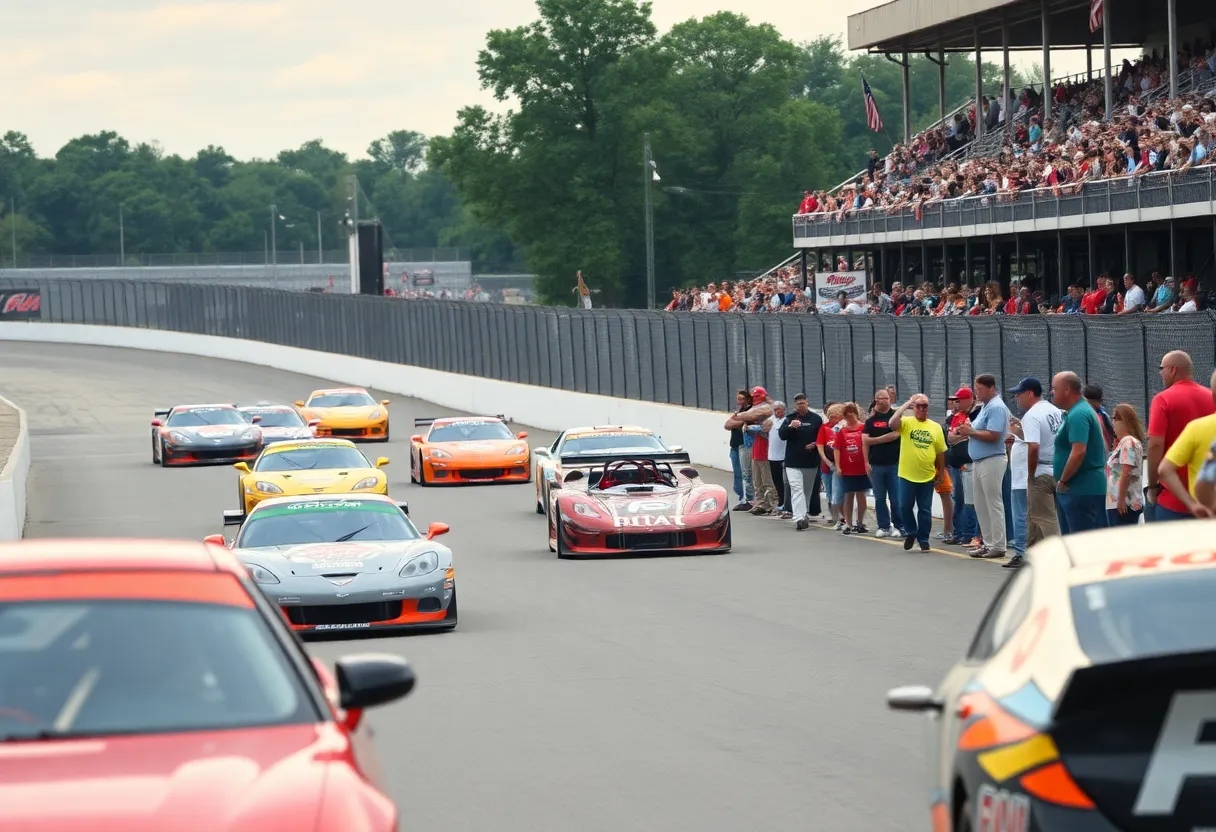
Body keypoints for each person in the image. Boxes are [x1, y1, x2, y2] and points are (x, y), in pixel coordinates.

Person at [1146, 350, 1215, 521]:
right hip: (1210, 500)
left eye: (1162, 368)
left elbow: (1155, 444)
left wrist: (1153, 487)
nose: (1161, 373)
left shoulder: (1162, 400)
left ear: (1173, 370)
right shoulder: (1210, 396)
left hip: (1174, 499)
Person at [1007, 378, 1062, 567]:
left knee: (1044, 519)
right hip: (1056, 467)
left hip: (1041, 471)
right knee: (1036, 518)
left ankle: (1055, 558)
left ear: (1030, 393)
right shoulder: (1055, 411)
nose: (1017, 399)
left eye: (1019, 394)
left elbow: (1034, 446)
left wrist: (1031, 474)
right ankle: (1033, 556)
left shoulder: (1032, 415)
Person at [956, 374, 1010, 560]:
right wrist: (969, 431)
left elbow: (994, 435)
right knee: (981, 504)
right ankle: (988, 543)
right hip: (980, 460)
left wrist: (971, 432)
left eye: (979, 389)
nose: (977, 393)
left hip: (992, 459)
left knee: (993, 503)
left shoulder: (996, 407)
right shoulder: (987, 406)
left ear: (991, 388)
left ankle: (998, 544)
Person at [1051, 371, 1109, 534]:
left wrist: (1063, 480)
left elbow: (1078, 452)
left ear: (1067, 389)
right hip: (1075, 489)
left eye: (1055, 388)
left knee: (1081, 543)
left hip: (1080, 489)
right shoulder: (1075, 412)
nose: (1051, 392)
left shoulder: (1079, 414)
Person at [888, 393, 948, 552]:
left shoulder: (935, 427)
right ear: (913, 408)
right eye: (918, 406)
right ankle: (911, 532)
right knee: (905, 506)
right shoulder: (907, 422)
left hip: (927, 475)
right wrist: (907, 403)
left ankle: (923, 538)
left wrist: (940, 473)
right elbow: (892, 423)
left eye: (925, 406)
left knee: (925, 509)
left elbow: (940, 452)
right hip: (907, 474)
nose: (922, 409)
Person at [778, 394, 824, 530]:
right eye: (798, 404)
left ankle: (804, 514)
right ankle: (799, 518)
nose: (801, 406)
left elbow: (821, 438)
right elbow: (782, 435)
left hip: (810, 462)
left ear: (807, 403)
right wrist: (791, 427)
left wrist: (815, 444)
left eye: (803, 403)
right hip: (792, 462)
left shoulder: (816, 419)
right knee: (796, 489)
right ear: (795, 405)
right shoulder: (789, 419)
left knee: (807, 491)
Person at [862, 388, 903, 538]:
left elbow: (897, 434)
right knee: (879, 498)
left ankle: (899, 525)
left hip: (895, 464)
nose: (884, 400)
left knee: (895, 498)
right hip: (876, 465)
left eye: (886, 398)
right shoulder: (871, 420)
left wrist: (875, 441)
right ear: (876, 400)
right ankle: (884, 526)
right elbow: (865, 441)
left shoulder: (895, 416)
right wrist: (866, 462)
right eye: (881, 398)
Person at [943, 390, 980, 546]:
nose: (956, 404)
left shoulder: (977, 413)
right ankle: (959, 533)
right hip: (955, 463)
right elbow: (950, 438)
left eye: (959, 401)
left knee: (970, 500)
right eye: (955, 401)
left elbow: (973, 434)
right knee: (958, 498)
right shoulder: (955, 417)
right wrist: (963, 435)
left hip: (969, 462)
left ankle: (970, 534)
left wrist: (965, 434)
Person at [1106, 403, 1146, 526]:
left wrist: (1121, 500)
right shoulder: (1126, 442)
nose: (1113, 423)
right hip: (1119, 502)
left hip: (1125, 504)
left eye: (1115, 419)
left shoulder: (1128, 442)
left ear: (1124, 421)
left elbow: (1126, 472)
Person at [833, 403, 870, 534]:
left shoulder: (863, 428)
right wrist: (838, 466)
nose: (850, 419)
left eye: (852, 416)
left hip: (861, 467)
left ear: (856, 414)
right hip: (847, 468)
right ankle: (848, 523)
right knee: (849, 495)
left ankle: (860, 522)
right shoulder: (842, 431)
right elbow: (837, 449)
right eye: (847, 417)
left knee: (861, 494)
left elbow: (868, 444)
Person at [725, 390, 754, 510]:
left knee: (746, 474)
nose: (739, 402)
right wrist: (735, 421)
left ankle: (749, 500)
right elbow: (727, 425)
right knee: (738, 475)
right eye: (738, 399)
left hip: (744, 446)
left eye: (742, 399)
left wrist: (735, 421)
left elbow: (739, 423)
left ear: (748, 399)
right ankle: (742, 497)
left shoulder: (751, 411)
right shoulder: (740, 412)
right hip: (735, 446)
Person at [765, 402, 792, 520]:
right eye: (775, 410)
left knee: (784, 482)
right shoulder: (771, 420)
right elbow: (763, 428)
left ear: (784, 410)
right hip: (772, 456)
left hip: (783, 456)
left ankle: (786, 504)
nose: (777, 412)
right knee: (776, 481)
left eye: (779, 410)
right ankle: (781, 503)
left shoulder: (786, 421)